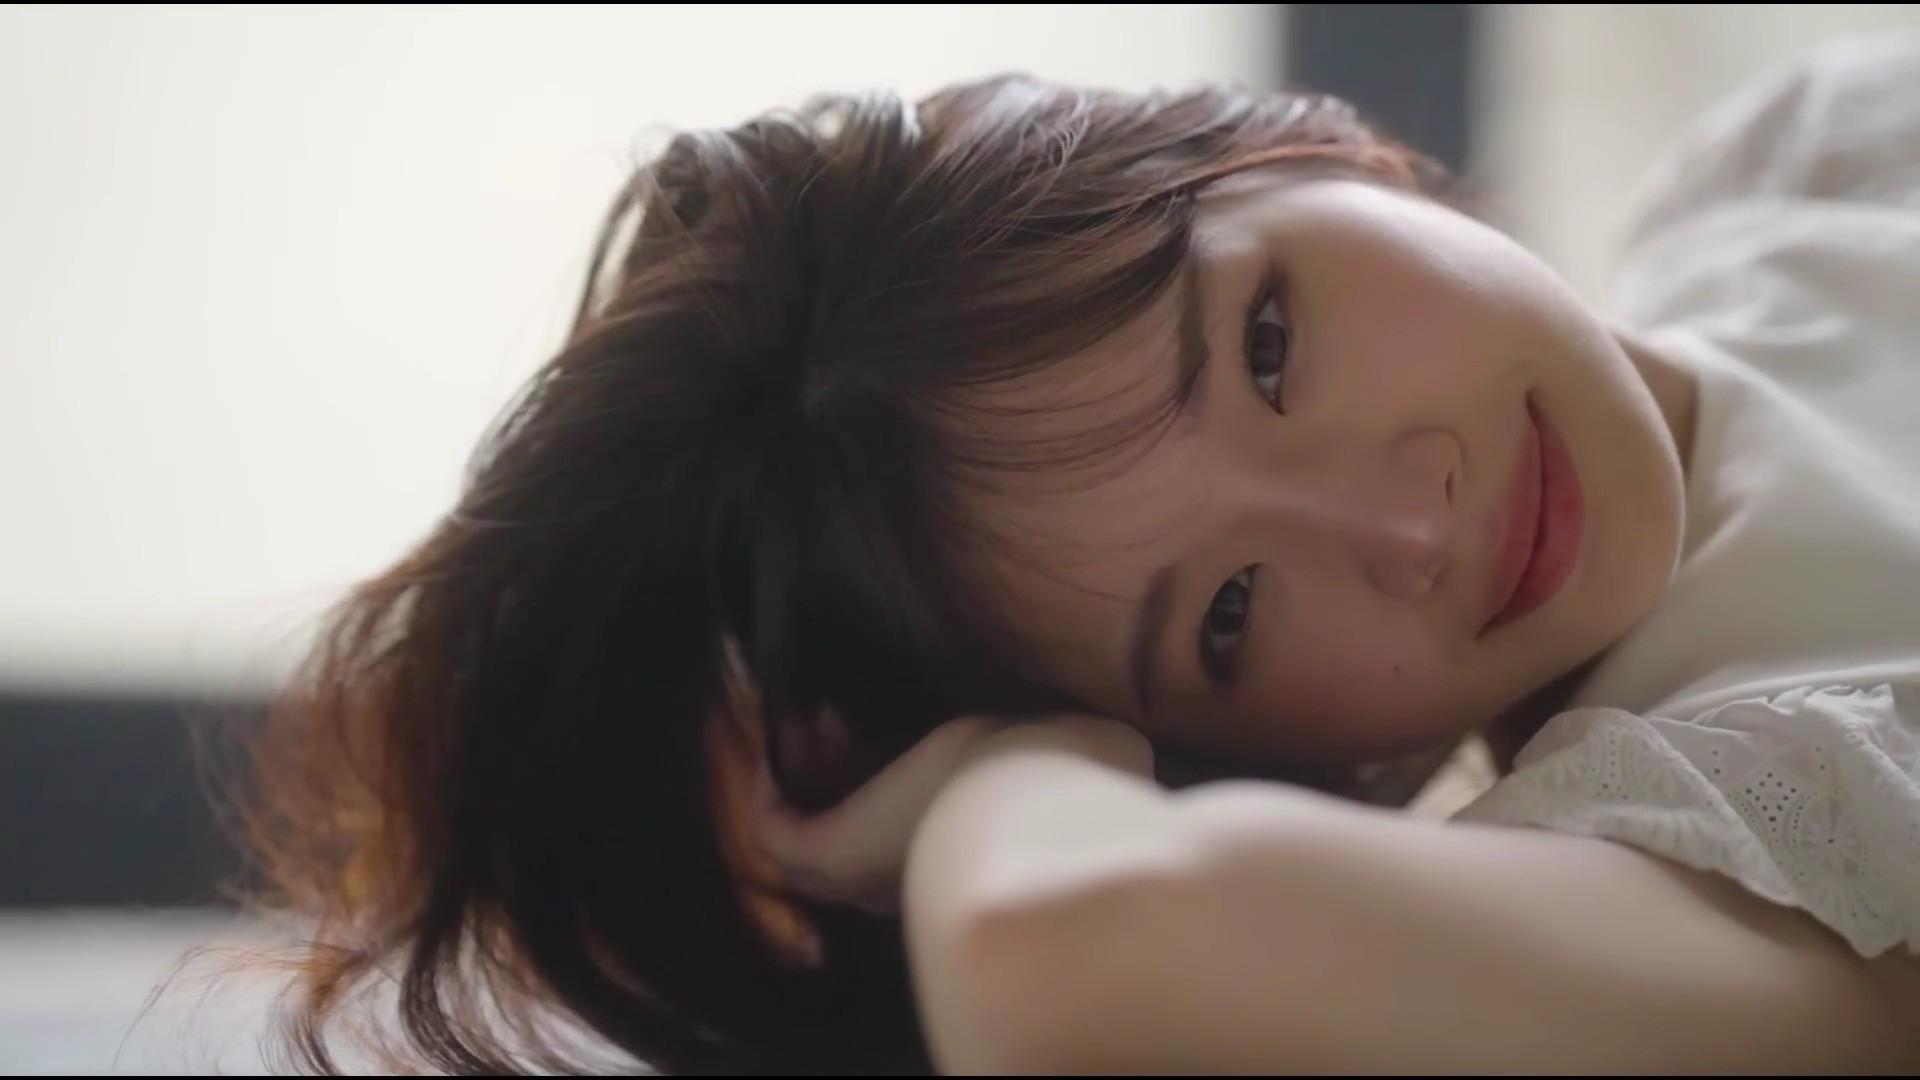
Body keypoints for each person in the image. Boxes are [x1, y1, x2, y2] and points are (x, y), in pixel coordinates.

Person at [226, 37, 1920, 1073]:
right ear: (1249, 756)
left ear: (1291, 150)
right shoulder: (1732, 837)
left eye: (1267, 346)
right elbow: (1073, 944)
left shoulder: (1806, 164)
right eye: (1229, 621)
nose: (1413, 524)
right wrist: (1007, 776)